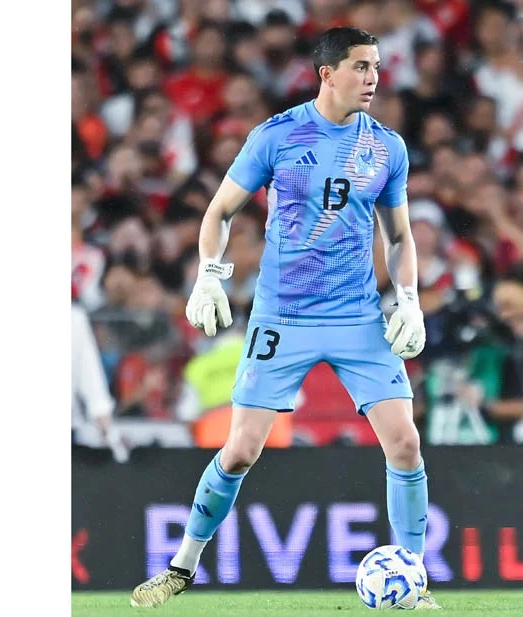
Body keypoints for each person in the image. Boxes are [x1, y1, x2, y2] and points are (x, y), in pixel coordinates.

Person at [130, 27, 439, 610]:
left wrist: (408, 298)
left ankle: (414, 581)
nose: (373, 78)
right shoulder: (276, 135)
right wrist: (209, 275)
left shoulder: (387, 148)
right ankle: (181, 567)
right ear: (327, 73)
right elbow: (220, 211)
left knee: (405, 444)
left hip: (356, 317)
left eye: (376, 67)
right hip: (282, 317)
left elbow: (399, 235)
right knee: (240, 450)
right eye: (361, 66)